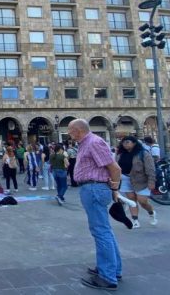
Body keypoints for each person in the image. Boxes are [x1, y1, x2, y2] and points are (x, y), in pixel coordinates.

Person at [69, 119, 122, 291]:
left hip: (94, 188)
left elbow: (115, 168)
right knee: (104, 230)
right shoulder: (86, 143)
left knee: (101, 231)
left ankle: (108, 277)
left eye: (70, 131)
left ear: (78, 130)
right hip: (92, 188)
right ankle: (112, 269)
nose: (69, 134)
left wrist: (115, 188)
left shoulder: (93, 142)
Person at [116, 136, 157, 228]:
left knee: (142, 201)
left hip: (141, 180)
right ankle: (135, 220)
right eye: (123, 142)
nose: (125, 144)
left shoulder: (143, 154)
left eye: (127, 142)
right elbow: (116, 166)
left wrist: (151, 181)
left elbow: (150, 169)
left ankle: (151, 212)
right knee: (131, 201)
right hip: (126, 179)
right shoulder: (120, 154)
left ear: (134, 143)